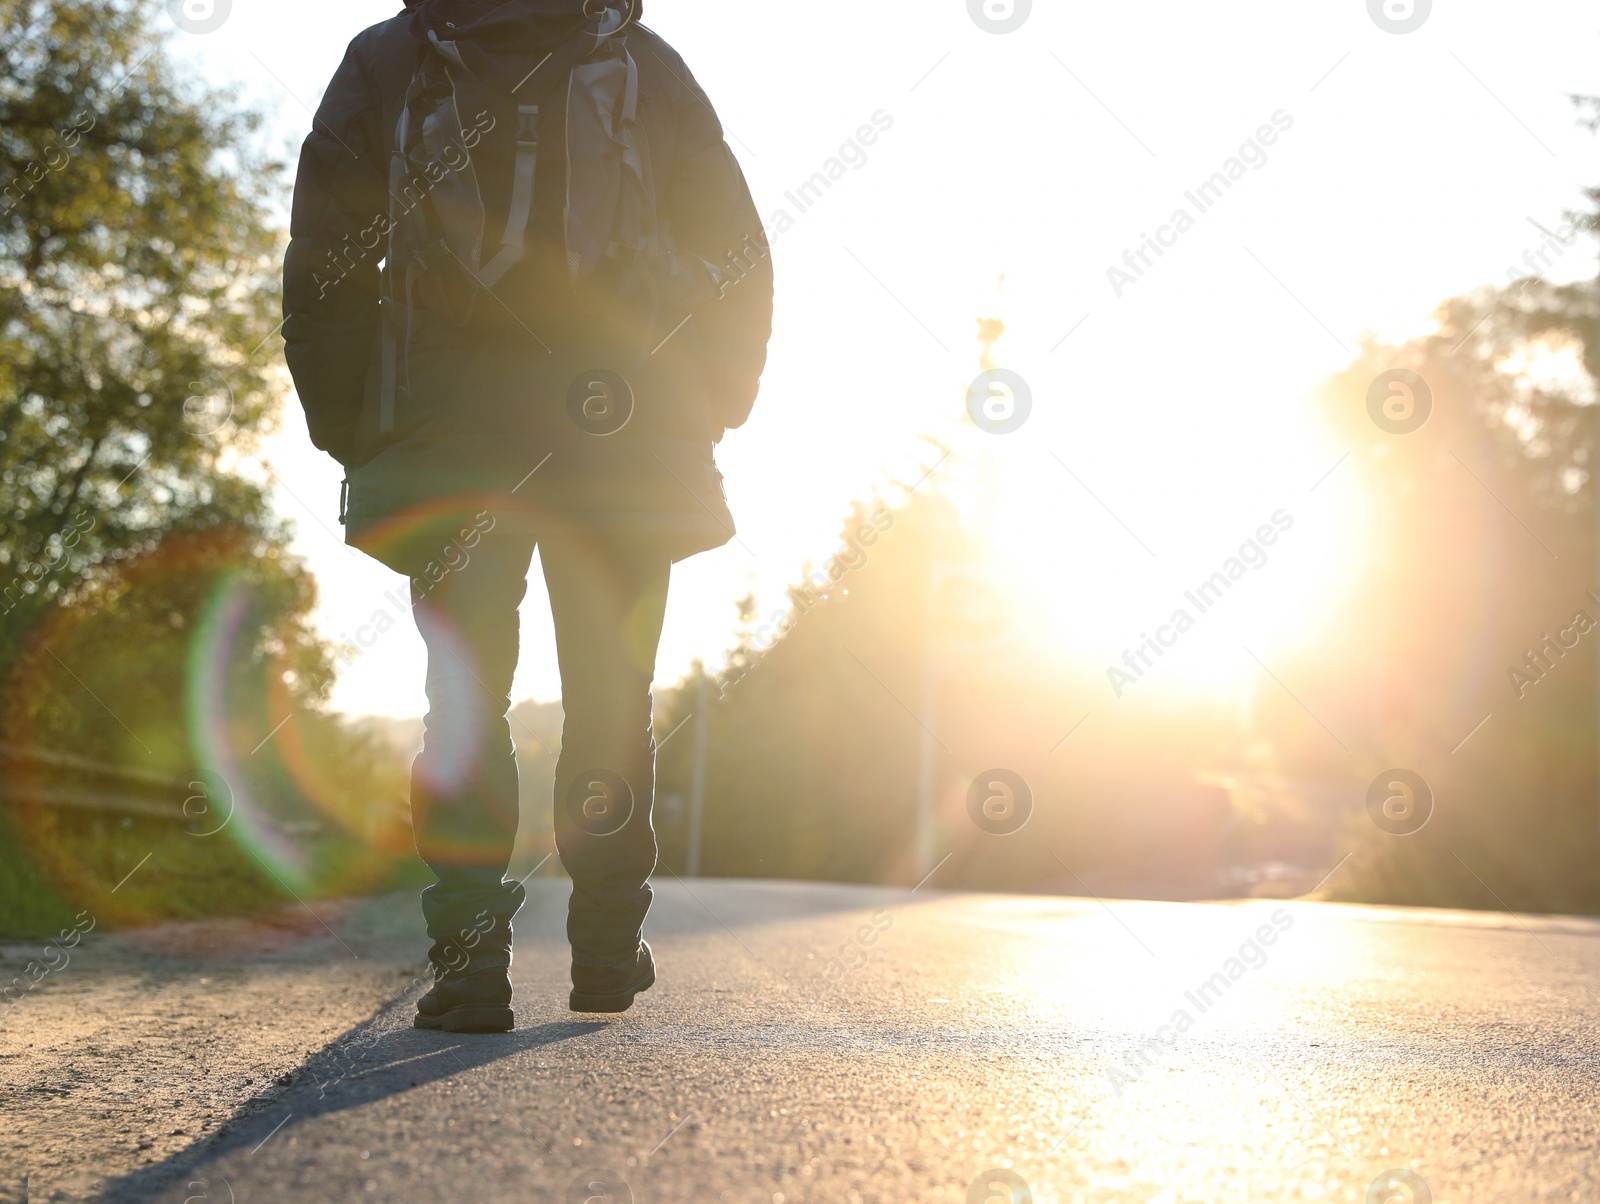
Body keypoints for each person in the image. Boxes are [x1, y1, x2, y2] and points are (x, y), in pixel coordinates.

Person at [282, 0, 772, 1032]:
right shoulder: (636, 60)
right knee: (609, 699)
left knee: (462, 705)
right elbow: (733, 250)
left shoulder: (390, 58)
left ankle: (468, 966)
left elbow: (327, 251)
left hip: (448, 439)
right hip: (623, 438)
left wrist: (353, 422)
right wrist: (710, 402)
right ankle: (602, 949)